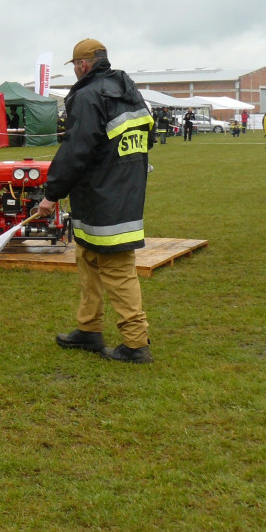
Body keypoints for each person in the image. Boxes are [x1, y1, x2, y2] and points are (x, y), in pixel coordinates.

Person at [36, 39, 155, 365]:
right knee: (87, 259)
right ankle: (89, 329)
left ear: (83, 65)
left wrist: (51, 194)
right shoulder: (127, 89)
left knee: (117, 269)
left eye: (75, 65)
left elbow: (77, 149)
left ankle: (135, 343)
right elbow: (149, 137)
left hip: (105, 198)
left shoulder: (88, 96)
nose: (74, 71)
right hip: (118, 191)